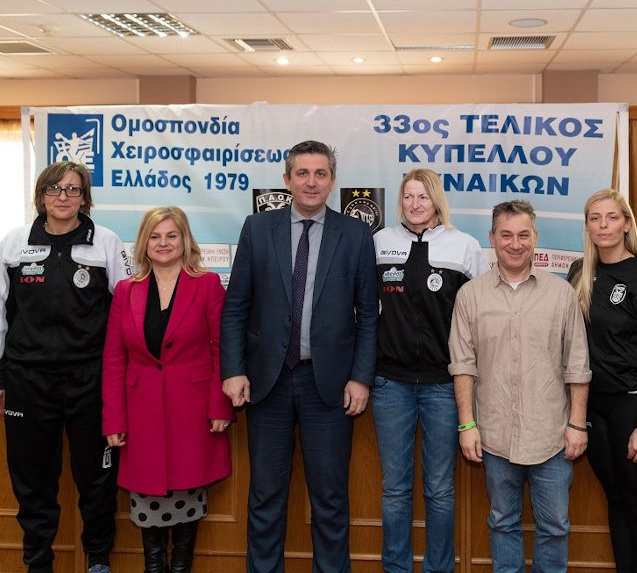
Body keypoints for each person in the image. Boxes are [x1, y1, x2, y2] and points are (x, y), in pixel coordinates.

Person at [220, 140, 379, 572]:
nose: (311, 182)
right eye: (303, 173)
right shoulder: (257, 228)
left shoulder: (355, 234)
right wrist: (233, 370)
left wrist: (361, 377)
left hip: (328, 385)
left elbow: (368, 314)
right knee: (265, 496)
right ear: (287, 180)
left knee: (330, 498)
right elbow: (235, 307)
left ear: (332, 181)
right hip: (266, 383)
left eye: (320, 174)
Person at [0, 161, 129, 573]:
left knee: (97, 479)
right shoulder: (14, 243)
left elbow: (126, 310)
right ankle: (38, 563)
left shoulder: (106, 242)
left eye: (73, 189)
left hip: (90, 381)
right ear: (41, 195)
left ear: (84, 198)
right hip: (27, 381)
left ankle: (98, 559)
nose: (63, 196)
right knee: (33, 482)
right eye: (54, 188)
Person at [448, 199, 591, 573]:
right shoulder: (470, 295)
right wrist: (466, 424)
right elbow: (463, 366)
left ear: (535, 238)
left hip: (552, 436)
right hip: (494, 435)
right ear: (492, 238)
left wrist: (577, 424)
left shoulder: (561, 294)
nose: (515, 243)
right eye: (506, 235)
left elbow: (577, 364)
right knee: (502, 522)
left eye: (523, 235)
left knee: (555, 526)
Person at [102, 206, 233, 573]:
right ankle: (154, 567)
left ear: (184, 240)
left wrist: (220, 407)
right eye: (155, 236)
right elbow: (113, 359)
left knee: (188, 495)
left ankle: (181, 567)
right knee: (146, 498)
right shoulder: (126, 290)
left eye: (171, 235)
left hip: (193, 414)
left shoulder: (207, 284)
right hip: (139, 414)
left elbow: (222, 349)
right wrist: (113, 419)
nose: (163, 243)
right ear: (144, 243)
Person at [372, 169, 488, 573]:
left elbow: (481, 313)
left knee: (439, 489)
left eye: (423, 196)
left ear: (436, 200)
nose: (415, 204)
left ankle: (439, 568)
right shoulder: (380, 243)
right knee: (394, 489)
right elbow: (364, 309)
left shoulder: (464, 246)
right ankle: (396, 568)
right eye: (408, 196)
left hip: (444, 385)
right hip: (390, 384)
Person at [567, 189, 637, 573]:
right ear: (587, 226)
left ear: (627, 224)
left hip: (634, 405)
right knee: (615, 496)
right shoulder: (580, 272)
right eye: (595, 218)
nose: (603, 226)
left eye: (612, 217)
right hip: (594, 405)